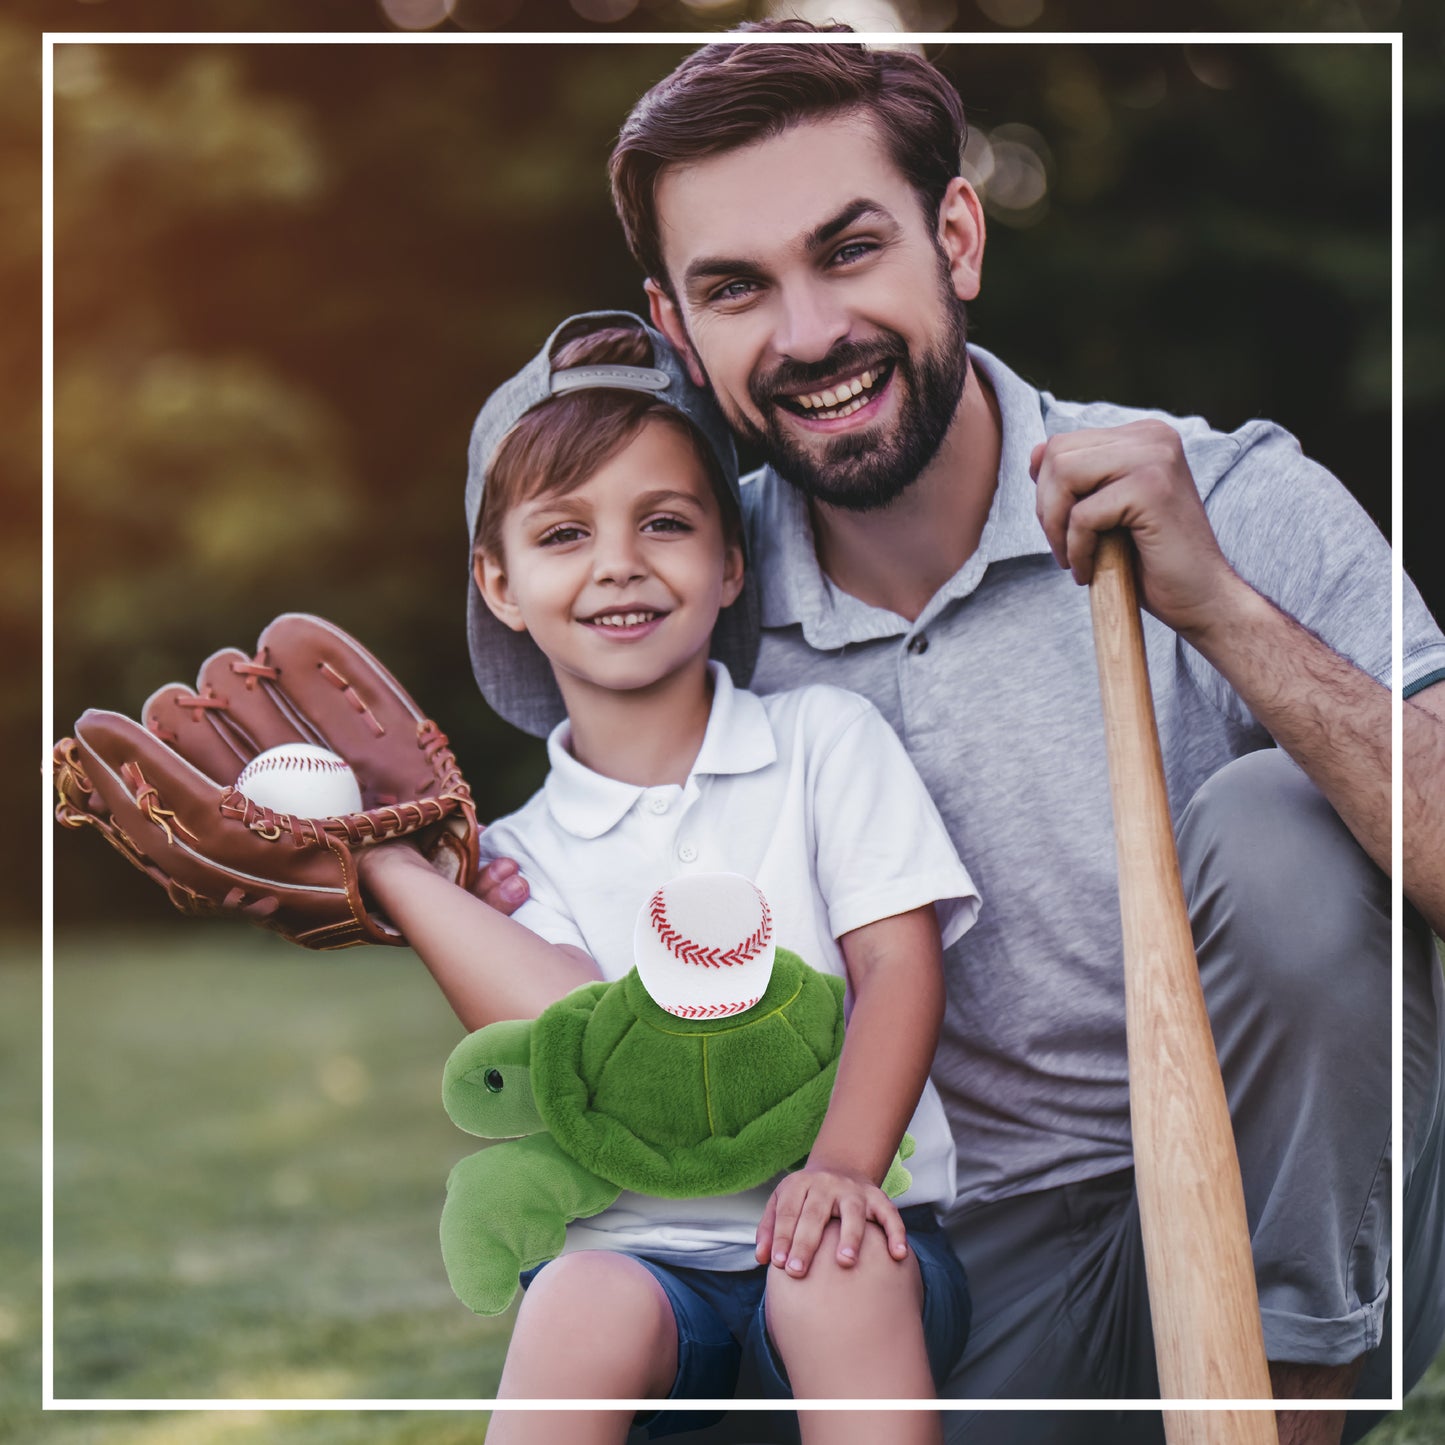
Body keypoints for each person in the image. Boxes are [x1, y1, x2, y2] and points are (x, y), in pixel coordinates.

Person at [474, 22, 1445, 1445]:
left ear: (958, 236)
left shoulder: (1223, 495)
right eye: (736, 288)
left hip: (1278, 1225)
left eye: (850, 249)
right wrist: (382, 869)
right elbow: (574, 864)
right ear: (675, 328)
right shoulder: (683, 584)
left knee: (1278, 828)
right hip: (936, 1267)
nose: (807, 334)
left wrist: (1220, 607)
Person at [360, 310, 979, 1445]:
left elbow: (897, 962)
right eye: (561, 534)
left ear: (730, 559)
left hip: (862, 1232)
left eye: (664, 521)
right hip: (648, 1272)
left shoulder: (820, 743)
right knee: (577, 1298)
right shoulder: (512, 856)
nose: (617, 564)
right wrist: (389, 867)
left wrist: (838, 1167)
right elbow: (579, 1037)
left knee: (829, 1266)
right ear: (497, 581)